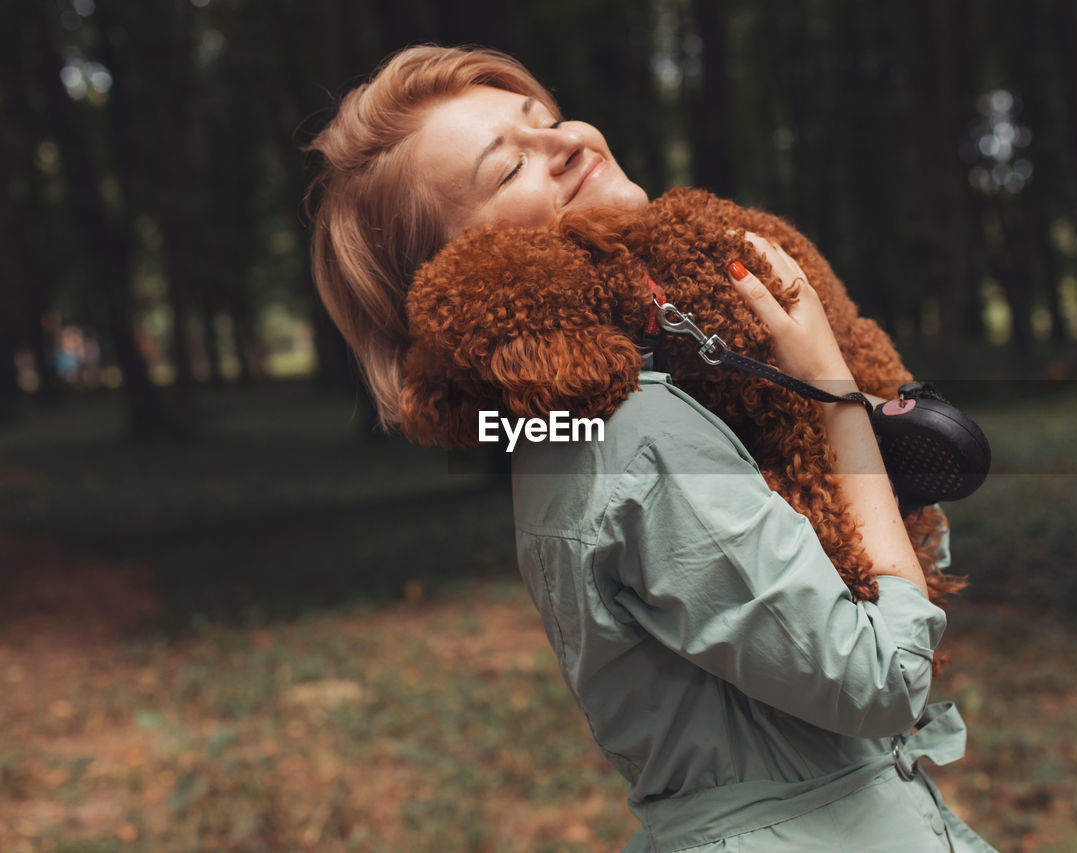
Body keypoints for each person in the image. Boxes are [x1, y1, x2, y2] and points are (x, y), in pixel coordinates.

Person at [306, 44, 997, 852]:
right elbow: (883, 676)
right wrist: (836, 399)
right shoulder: (632, 432)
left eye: (550, 120)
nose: (570, 144)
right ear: (463, 272)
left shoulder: (572, 421)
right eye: (506, 169)